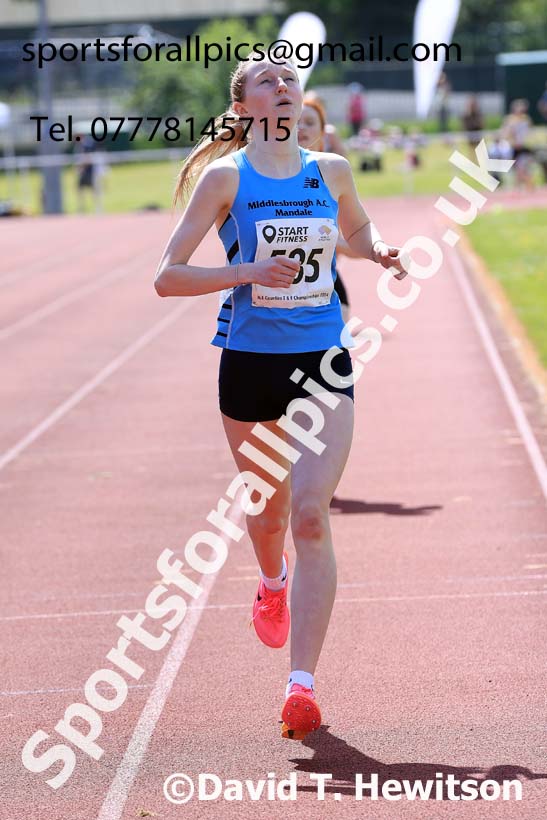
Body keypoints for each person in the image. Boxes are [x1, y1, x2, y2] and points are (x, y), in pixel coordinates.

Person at [155, 57, 407, 741]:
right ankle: (270, 582)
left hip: (322, 359)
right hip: (249, 363)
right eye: (265, 80)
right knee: (265, 517)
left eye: (289, 79)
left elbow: (354, 232)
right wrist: (244, 271)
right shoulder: (225, 180)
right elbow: (166, 278)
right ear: (243, 108)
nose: (283, 85)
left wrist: (379, 250)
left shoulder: (329, 171)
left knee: (310, 516)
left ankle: (301, 687)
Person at [297, 94, 354, 323]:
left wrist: (377, 249)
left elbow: (355, 244)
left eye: (310, 123)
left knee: (341, 321)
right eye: (295, 121)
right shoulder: (265, 174)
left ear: (322, 131)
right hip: (276, 291)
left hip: (323, 281)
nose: (301, 128)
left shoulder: (332, 176)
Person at [502, 99, 534, 189]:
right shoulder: (510, 120)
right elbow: (505, 133)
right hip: (513, 148)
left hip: (523, 148)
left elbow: (528, 133)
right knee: (516, 169)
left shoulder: (526, 120)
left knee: (522, 168)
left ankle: (528, 185)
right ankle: (522, 186)